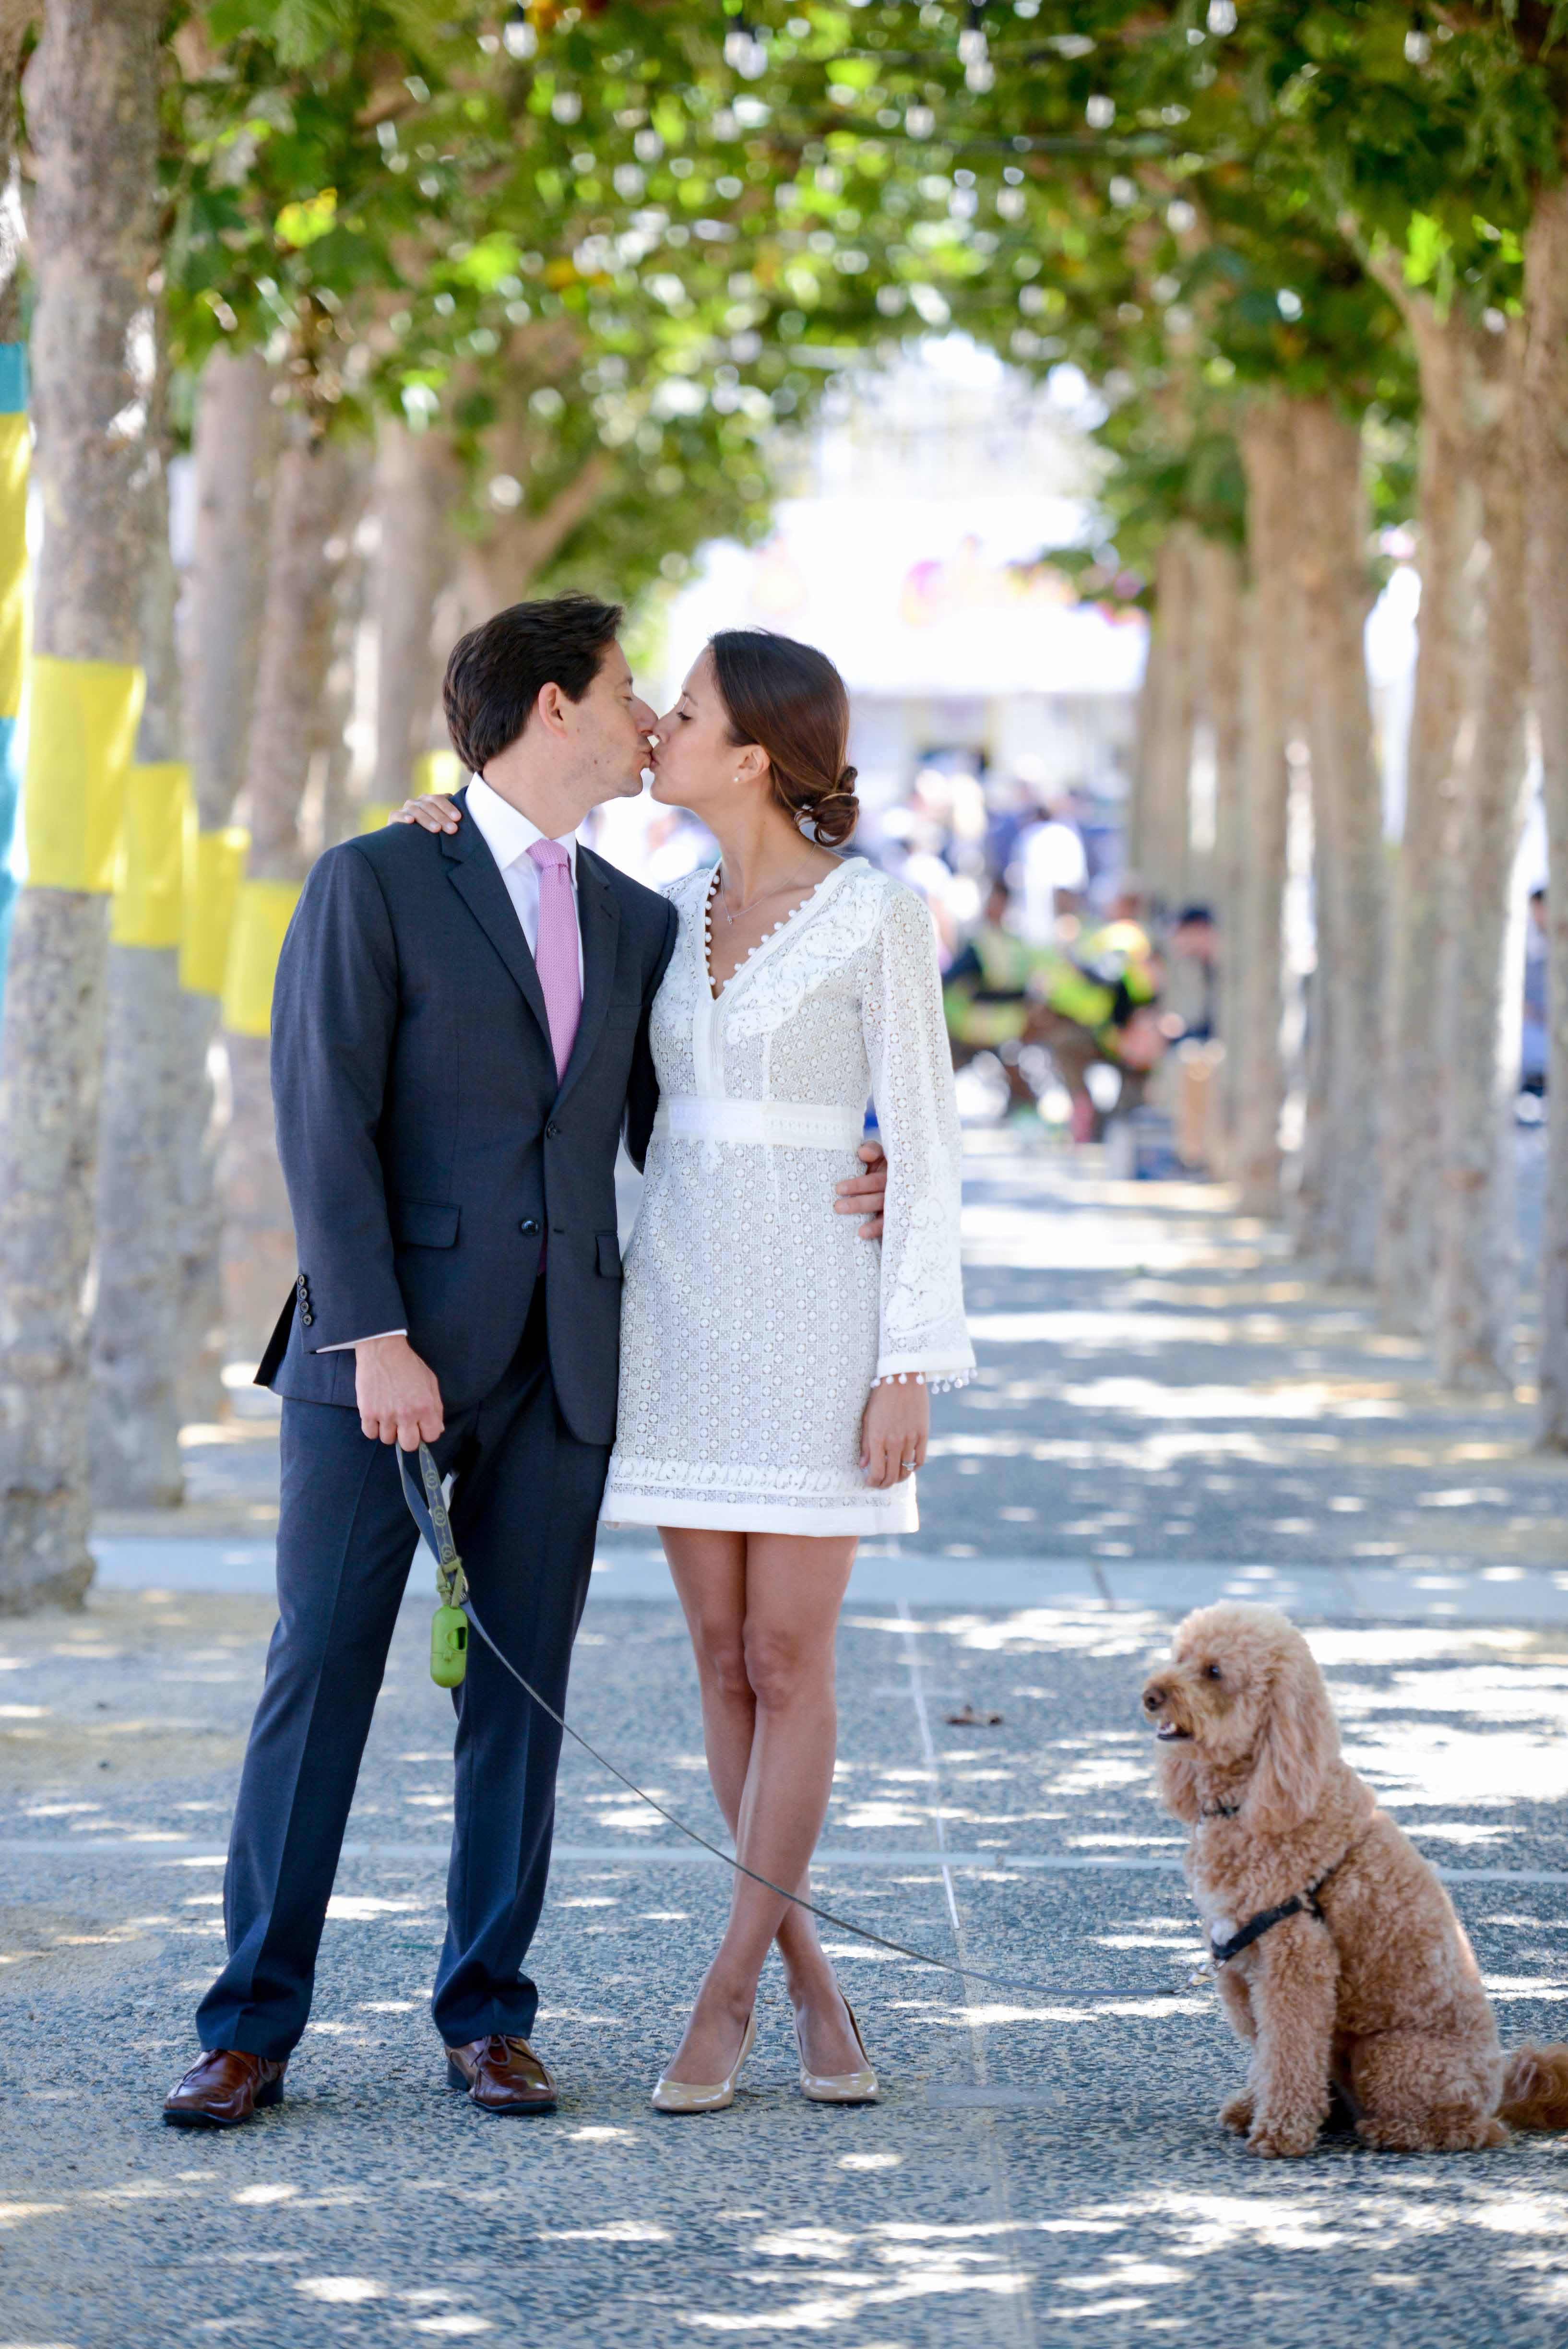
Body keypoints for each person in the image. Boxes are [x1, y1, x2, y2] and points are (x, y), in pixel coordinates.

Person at [162, 595, 891, 2129]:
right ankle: (250, 2027)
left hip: (567, 1372)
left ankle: (488, 2015)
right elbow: (322, 1122)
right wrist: (373, 1337)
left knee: (525, 1701)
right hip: (384, 1366)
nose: (648, 719)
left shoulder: (642, 923)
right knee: (321, 1682)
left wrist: (861, 1158)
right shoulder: (377, 876)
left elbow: (683, 1124)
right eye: (633, 691)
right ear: (553, 706)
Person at [396, 628, 974, 2115]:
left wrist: (910, 1353)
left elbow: (924, 1142)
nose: (655, 725)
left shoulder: (879, 919)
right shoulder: (651, 913)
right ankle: (810, 1983)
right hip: (677, 1311)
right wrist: (436, 829)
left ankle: (727, 1993)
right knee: (718, 1664)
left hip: (819, 1318)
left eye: (688, 708)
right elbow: (582, 1055)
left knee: (791, 1662)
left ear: (756, 751)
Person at [944, 873, 1048, 1114]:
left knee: (1017, 1076)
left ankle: (1026, 1116)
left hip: (1002, 1028)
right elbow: (953, 981)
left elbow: (1030, 986)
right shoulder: (979, 943)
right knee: (942, 1075)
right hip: (971, 1028)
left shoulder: (1011, 943)